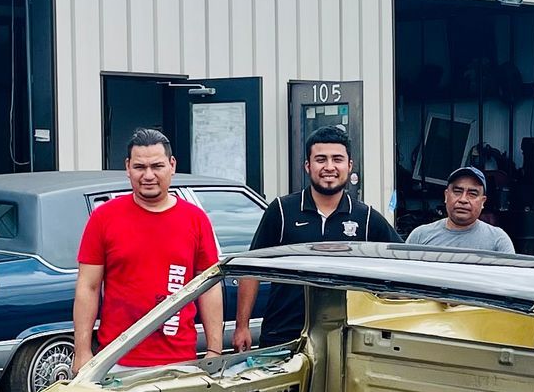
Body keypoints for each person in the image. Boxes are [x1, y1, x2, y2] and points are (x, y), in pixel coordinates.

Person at [73, 128, 224, 371]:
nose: (148, 175)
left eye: (157, 166)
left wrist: (214, 350)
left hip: (179, 362)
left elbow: (209, 286)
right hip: (116, 360)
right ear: (128, 167)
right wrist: (81, 351)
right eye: (140, 167)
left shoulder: (195, 220)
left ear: (172, 165)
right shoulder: (104, 218)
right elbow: (87, 287)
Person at [236, 124, 398, 349]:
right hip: (282, 336)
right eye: (321, 159)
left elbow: (402, 263)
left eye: (337, 159)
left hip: (344, 340)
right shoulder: (282, 211)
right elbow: (249, 269)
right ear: (307, 165)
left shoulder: (367, 218)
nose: (329, 167)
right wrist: (241, 326)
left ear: (349, 166)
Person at [406, 166, 515, 252]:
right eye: (457, 192)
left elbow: (510, 278)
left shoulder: (498, 241)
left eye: (472, 193)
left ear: (483, 202)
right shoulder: (420, 237)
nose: (463, 199)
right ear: (446, 196)